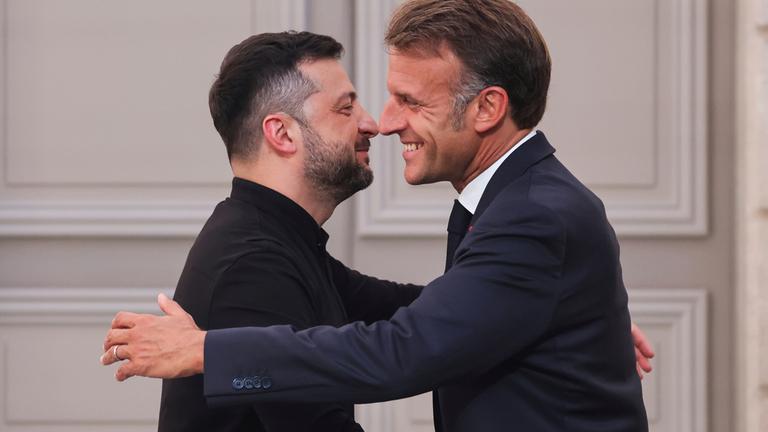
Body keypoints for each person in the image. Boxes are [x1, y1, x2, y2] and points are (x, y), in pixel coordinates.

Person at [103, 1, 655, 431]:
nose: (383, 123)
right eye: (351, 106)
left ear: (487, 108)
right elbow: (410, 332)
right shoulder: (257, 254)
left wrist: (564, 313)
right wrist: (559, 311)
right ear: (281, 133)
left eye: (411, 101)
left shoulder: (531, 215)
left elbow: (407, 341)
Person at [156, 31, 424, 431]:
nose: (372, 124)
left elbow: (412, 315)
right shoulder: (252, 265)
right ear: (282, 134)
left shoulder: (280, 241)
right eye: (345, 108)